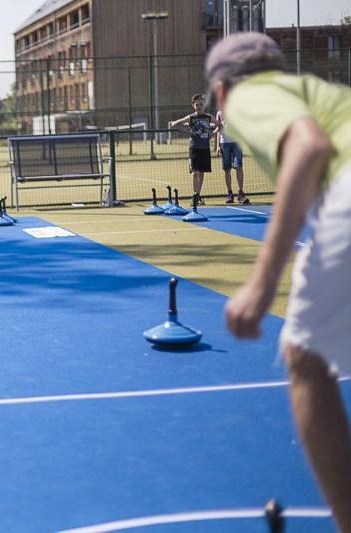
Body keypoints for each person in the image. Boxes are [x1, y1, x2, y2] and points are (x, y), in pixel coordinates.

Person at [210, 33, 351, 531]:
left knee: (305, 356)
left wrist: (262, 281)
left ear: (222, 90)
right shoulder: (313, 89)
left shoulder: (250, 95)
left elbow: (308, 146)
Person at [170, 94, 216, 205]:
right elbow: (174, 124)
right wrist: (187, 130)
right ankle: (195, 195)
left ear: (204, 105)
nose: (199, 106)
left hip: (205, 148)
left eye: (201, 104)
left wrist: (212, 134)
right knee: (195, 172)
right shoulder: (191, 117)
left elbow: (220, 125)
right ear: (193, 105)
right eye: (197, 105)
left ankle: (198, 195)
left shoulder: (208, 117)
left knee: (201, 173)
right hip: (194, 148)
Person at [216, 109, 249, 204]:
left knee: (238, 166)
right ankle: (229, 193)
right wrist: (218, 145)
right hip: (224, 143)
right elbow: (219, 129)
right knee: (227, 169)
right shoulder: (219, 112)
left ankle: (240, 193)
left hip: (237, 143)